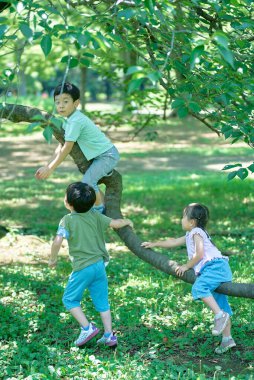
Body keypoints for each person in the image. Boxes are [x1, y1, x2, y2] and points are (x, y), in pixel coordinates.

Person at [141, 203, 236, 354]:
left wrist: (186, 266)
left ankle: (220, 316)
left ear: (192, 221)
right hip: (216, 269)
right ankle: (227, 339)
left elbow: (199, 254)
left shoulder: (196, 232)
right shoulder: (191, 234)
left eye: (183, 216)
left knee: (199, 288)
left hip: (215, 268)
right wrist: (154, 243)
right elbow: (172, 242)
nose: (181, 219)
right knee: (220, 303)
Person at [49, 182, 133, 347]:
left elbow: (58, 240)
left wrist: (53, 258)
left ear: (68, 203)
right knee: (102, 301)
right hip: (99, 266)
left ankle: (87, 328)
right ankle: (109, 335)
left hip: (83, 268)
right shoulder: (96, 215)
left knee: (69, 299)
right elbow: (115, 223)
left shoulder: (67, 220)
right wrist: (127, 221)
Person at [35, 82, 120, 214]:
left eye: (65, 101)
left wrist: (51, 169)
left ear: (76, 103)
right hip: (99, 156)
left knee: (88, 182)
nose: (61, 105)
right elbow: (61, 145)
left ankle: (99, 211)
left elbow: (67, 148)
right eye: (57, 102)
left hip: (107, 156)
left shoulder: (75, 121)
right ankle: (102, 205)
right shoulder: (68, 120)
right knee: (91, 181)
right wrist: (47, 166)